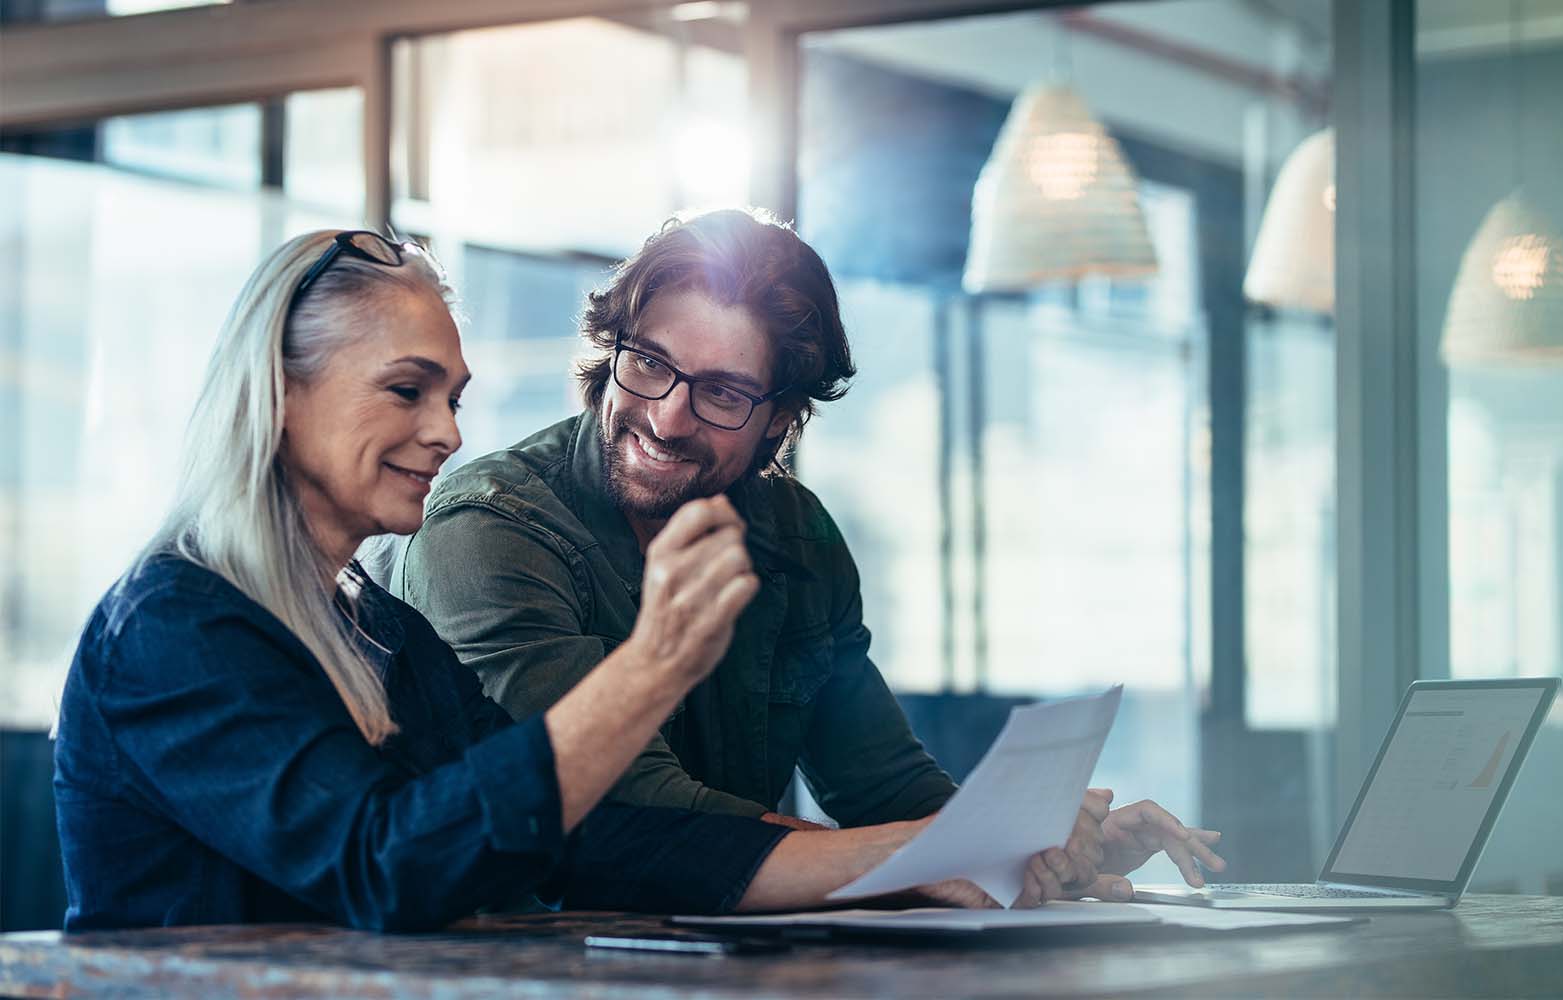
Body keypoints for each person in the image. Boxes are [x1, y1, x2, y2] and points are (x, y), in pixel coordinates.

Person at [52, 229, 1115, 933]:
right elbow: (384, 866)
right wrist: (653, 667)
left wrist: (964, 849)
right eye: (407, 391)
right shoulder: (172, 627)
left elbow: (589, 835)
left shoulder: (374, 626)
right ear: (276, 397)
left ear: (780, 422)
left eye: (454, 395)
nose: (448, 431)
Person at [399, 209, 1225, 890]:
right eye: (649, 364)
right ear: (612, 352)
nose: (668, 417)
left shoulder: (797, 535)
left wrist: (1027, 854)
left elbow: (882, 782)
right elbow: (630, 802)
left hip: (727, 958)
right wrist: (925, 857)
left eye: (721, 392)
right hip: (518, 958)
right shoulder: (493, 530)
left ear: (782, 419)